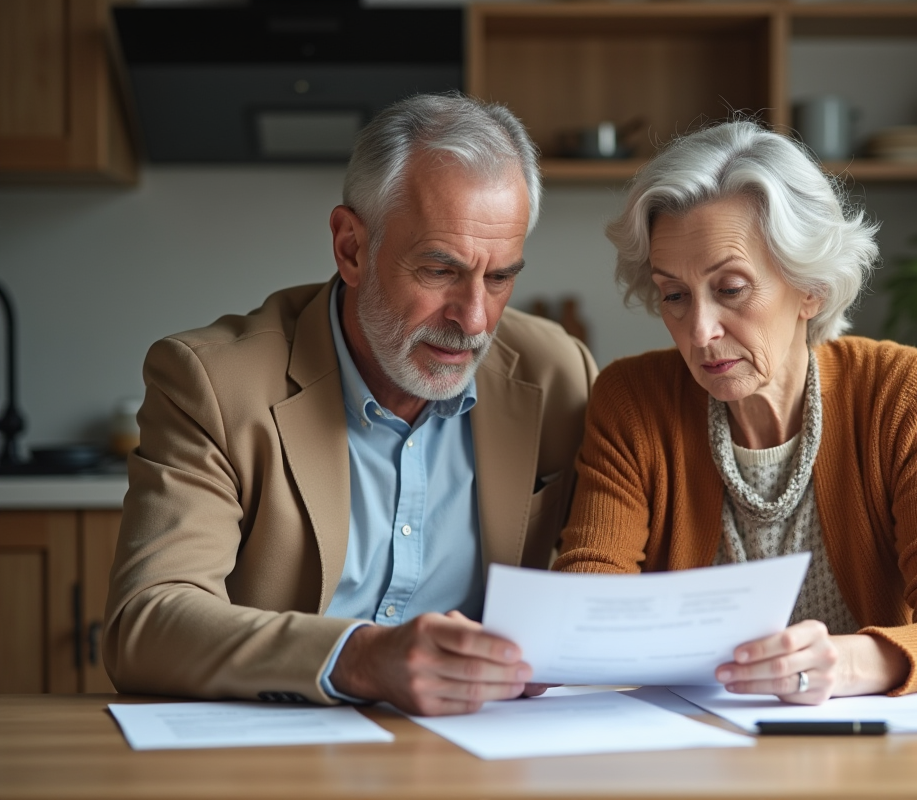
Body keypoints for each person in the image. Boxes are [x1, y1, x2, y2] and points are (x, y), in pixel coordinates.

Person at [104, 94, 597, 716]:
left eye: (499, 277)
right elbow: (145, 623)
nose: (474, 319)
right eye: (440, 271)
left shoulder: (560, 374)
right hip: (280, 753)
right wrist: (360, 658)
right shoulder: (210, 383)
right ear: (351, 248)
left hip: (486, 751)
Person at [554, 121, 917, 704]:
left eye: (731, 288)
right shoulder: (633, 400)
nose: (698, 331)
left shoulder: (901, 393)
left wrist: (843, 665)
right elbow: (586, 607)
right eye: (674, 295)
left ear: (810, 288)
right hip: (691, 753)